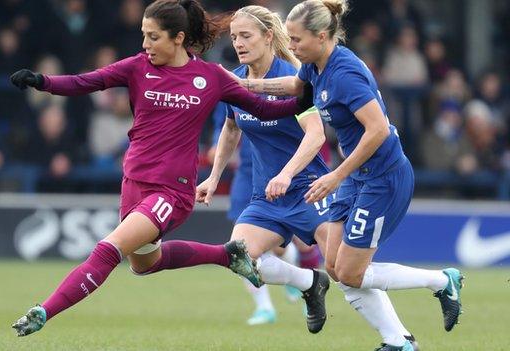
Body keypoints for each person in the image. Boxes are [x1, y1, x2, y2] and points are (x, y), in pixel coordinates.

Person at [8, 0, 317, 337]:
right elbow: (88, 82)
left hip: (172, 190)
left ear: (178, 38)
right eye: (144, 35)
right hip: (134, 184)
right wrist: (43, 81)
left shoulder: (210, 77)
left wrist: (306, 99)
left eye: (153, 37)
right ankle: (226, 255)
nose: (145, 44)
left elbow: (260, 108)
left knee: (108, 249)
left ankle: (43, 311)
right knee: (144, 265)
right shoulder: (137, 67)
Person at [234, 1, 464, 350]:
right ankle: (398, 341)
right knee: (338, 269)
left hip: (382, 178)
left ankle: (440, 282)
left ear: (322, 36)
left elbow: (379, 131)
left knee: (352, 273)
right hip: (359, 177)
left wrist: (336, 175)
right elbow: (295, 88)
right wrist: (242, 87)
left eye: (296, 40)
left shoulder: (345, 73)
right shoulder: (315, 67)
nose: (291, 47)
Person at [197, 5, 331, 334]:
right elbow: (231, 129)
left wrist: (286, 174)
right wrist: (213, 178)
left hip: (309, 188)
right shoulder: (237, 83)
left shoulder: (293, 79)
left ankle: (435, 286)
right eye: (234, 37)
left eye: (246, 35)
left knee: (350, 274)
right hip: (267, 195)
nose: (239, 43)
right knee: (238, 257)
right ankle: (310, 283)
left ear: (268, 36)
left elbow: (317, 135)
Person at [210, 101, 321, 326]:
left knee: (292, 246)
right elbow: (226, 127)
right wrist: (215, 160)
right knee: (239, 250)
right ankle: (264, 307)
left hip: (290, 177)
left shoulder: (290, 83)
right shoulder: (235, 88)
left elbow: (315, 134)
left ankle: (300, 281)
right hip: (249, 174)